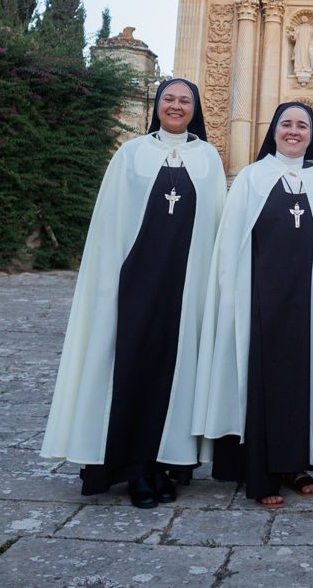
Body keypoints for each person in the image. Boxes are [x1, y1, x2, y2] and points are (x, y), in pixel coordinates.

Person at [41, 79, 226, 507]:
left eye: (185, 101)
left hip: (185, 287)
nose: (176, 106)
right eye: (169, 99)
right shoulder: (131, 154)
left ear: (195, 109)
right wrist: (109, 281)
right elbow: (110, 223)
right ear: (157, 106)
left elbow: (215, 228)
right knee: (132, 367)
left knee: (176, 371)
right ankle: (134, 466)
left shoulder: (209, 159)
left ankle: (165, 462)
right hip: (133, 283)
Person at [193, 102, 313, 507]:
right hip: (260, 299)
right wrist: (235, 293)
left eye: (302, 126)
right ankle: (259, 474)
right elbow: (232, 243)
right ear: (273, 131)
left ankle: (295, 465)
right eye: (286, 125)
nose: (294, 131)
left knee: (303, 381)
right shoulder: (252, 177)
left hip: (310, 300)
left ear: (312, 135)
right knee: (262, 380)